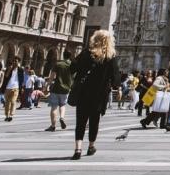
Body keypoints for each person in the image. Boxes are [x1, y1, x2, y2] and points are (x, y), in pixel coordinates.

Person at [70, 30, 121, 160]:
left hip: (83, 92)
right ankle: (91, 146)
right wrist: (117, 88)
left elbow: (72, 68)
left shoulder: (87, 53)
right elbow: (115, 77)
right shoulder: (110, 57)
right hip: (99, 94)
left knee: (80, 121)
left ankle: (78, 148)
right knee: (94, 121)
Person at [46, 50, 73, 132]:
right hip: (66, 89)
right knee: (62, 105)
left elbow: (52, 76)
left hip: (56, 88)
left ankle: (53, 126)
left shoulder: (58, 64)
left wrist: (47, 86)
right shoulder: (72, 65)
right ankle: (62, 117)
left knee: (54, 107)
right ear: (70, 56)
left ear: (63, 55)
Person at [2, 56, 25, 122]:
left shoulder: (20, 70)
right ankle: (7, 115)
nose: (15, 62)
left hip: (16, 88)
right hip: (8, 87)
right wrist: (9, 69)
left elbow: (22, 79)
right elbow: (6, 76)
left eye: (16, 61)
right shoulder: (9, 68)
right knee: (7, 102)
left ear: (18, 62)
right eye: (14, 61)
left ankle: (11, 115)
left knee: (13, 101)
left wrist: (22, 88)